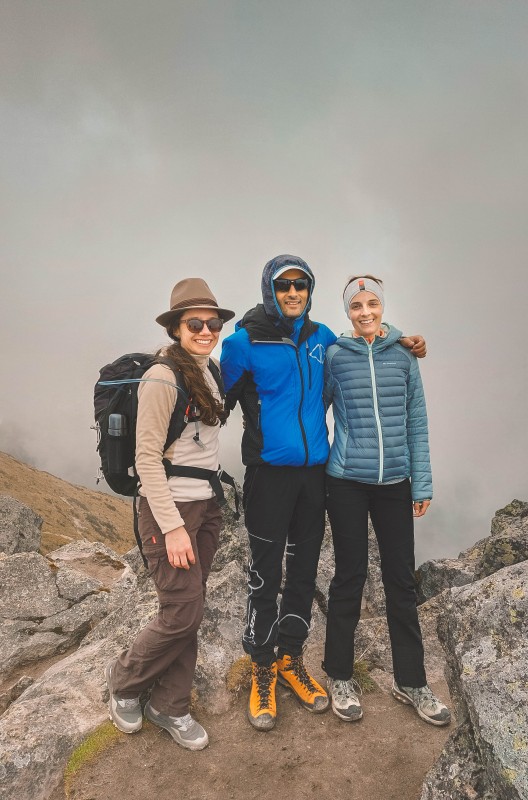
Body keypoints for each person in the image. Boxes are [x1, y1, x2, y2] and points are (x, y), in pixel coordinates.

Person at [220, 255, 427, 732]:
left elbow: (362, 360)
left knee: (304, 572)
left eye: (301, 285)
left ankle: (292, 659)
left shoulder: (323, 341)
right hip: (269, 476)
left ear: (309, 292)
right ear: (269, 289)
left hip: (316, 477)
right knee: (265, 575)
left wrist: (405, 341)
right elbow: (214, 401)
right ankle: (263, 669)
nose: (293, 292)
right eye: (284, 285)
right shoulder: (242, 343)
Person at [105, 278, 235, 750]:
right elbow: (145, 460)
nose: (206, 330)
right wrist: (174, 527)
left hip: (205, 505)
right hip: (169, 510)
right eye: (194, 323)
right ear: (177, 328)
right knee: (181, 611)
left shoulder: (210, 370)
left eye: (213, 322)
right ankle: (124, 681)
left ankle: (169, 706)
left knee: (190, 607)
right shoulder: (163, 379)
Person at [322, 275, 450, 727]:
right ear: (348, 312)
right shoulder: (335, 356)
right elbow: (312, 411)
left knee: (400, 580)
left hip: (396, 480)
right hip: (347, 483)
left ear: (382, 306)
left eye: (372, 303)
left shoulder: (404, 356)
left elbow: (418, 422)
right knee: (349, 576)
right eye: (356, 305)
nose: (365, 312)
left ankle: (411, 681)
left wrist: (422, 483)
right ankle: (339, 675)